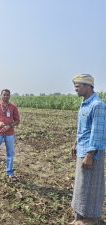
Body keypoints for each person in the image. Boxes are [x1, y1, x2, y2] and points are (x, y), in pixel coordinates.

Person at [70, 74, 106, 225]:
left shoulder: (97, 105)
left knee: (90, 185)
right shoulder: (85, 103)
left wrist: (90, 155)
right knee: (81, 184)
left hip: (92, 153)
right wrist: (75, 144)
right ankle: (80, 216)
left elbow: (97, 133)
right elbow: (83, 129)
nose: (75, 88)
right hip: (82, 149)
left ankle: (90, 219)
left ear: (87, 86)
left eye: (78, 85)